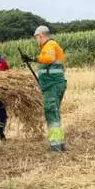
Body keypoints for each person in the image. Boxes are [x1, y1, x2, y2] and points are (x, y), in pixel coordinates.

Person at [23, 25, 67, 153]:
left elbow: (49, 59)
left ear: (41, 35)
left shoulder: (50, 45)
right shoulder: (50, 46)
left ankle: (56, 146)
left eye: (36, 38)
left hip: (52, 86)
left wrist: (33, 58)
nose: (36, 40)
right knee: (54, 113)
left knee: (51, 113)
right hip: (52, 85)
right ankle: (59, 143)